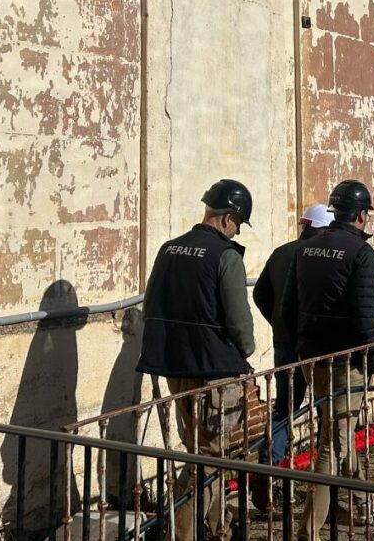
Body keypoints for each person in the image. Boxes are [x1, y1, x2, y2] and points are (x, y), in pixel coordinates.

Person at [136, 179, 255, 540]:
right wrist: (246, 350)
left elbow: (150, 306)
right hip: (216, 369)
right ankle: (180, 532)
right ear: (229, 217)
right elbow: (239, 321)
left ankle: (219, 526)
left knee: (201, 451)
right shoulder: (226, 255)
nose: (236, 230)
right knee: (207, 459)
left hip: (175, 365)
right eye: (238, 223)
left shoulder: (169, 249)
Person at [280, 180, 374, 540]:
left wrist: (301, 347)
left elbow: (287, 308)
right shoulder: (362, 254)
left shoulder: (305, 248)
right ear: (362, 214)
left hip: (312, 357)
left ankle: (363, 499)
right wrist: (372, 362)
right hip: (346, 360)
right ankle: (308, 531)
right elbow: (365, 317)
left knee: (336, 426)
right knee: (331, 442)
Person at [249, 202, 333, 510]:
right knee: (329, 408)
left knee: (284, 407)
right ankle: (329, 478)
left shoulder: (282, 251)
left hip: (285, 343)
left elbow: (260, 294)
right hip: (316, 344)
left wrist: (278, 322)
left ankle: (267, 469)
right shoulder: (321, 256)